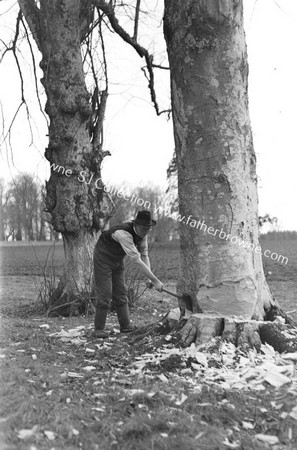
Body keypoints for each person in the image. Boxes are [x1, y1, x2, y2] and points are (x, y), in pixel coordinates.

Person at [93, 210, 163, 338]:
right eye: (143, 228)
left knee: (121, 292)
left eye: (148, 228)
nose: (145, 231)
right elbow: (137, 261)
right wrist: (156, 280)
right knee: (105, 294)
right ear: (136, 225)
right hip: (102, 259)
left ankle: (125, 326)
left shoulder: (144, 235)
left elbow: (144, 255)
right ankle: (98, 329)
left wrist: (149, 279)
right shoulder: (124, 234)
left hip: (117, 261)